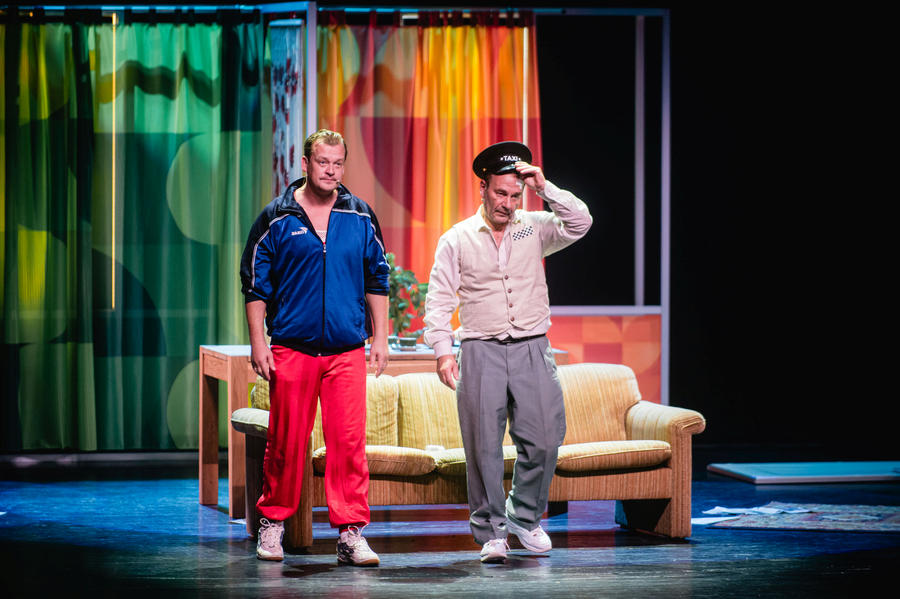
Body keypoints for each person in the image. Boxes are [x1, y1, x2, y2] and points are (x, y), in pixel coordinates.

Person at [423, 141, 592, 563]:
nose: (508, 203)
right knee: (483, 446)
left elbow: (580, 222)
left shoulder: (532, 227)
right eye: (501, 193)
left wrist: (544, 187)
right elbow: (439, 300)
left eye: (516, 195)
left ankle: (524, 517)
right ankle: (491, 531)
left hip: (532, 347)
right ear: (483, 188)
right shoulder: (457, 238)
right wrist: (443, 351)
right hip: (481, 349)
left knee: (545, 439)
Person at [239, 129, 390, 566]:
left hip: (346, 349)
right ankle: (273, 524)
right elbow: (255, 285)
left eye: (338, 163)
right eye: (323, 162)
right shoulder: (277, 218)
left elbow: (377, 278)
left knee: (348, 444)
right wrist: (258, 343)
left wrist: (380, 337)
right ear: (305, 163)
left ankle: (350, 533)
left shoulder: (359, 215)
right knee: (286, 442)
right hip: (293, 347)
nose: (331, 171)